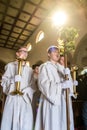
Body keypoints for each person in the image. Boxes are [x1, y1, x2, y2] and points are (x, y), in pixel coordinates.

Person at [34, 45, 74, 130]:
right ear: (48, 54)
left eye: (58, 52)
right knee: (53, 123)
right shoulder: (45, 66)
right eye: (54, 51)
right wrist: (61, 85)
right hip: (51, 100)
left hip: (63, 99)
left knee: (63, 122)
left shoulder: (61, 68)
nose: (57, 53)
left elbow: (69, 84)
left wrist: (68, 75)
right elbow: (43, 84)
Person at [0, 46, 35, 130]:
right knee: (11, 121)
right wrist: (13, 80)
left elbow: (33, 85)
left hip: (24, 99)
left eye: (26, 52)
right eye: (22, 51)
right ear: (17, 53)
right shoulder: (10, 66)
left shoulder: (30, 70)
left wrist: (27, 90)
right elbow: (4, 82)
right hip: (13, 98)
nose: (25, 53)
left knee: (25, 122)